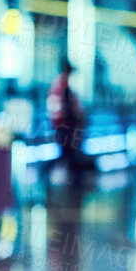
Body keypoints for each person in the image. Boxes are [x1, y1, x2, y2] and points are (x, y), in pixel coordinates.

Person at [48, 59, 87, 187]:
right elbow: (67, 109)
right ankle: (73, 183)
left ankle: (73, 181)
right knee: (68, 154)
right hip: (66, 127)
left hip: (62, 126)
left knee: (68, 154)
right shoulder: (63, 86)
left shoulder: (59, 85)